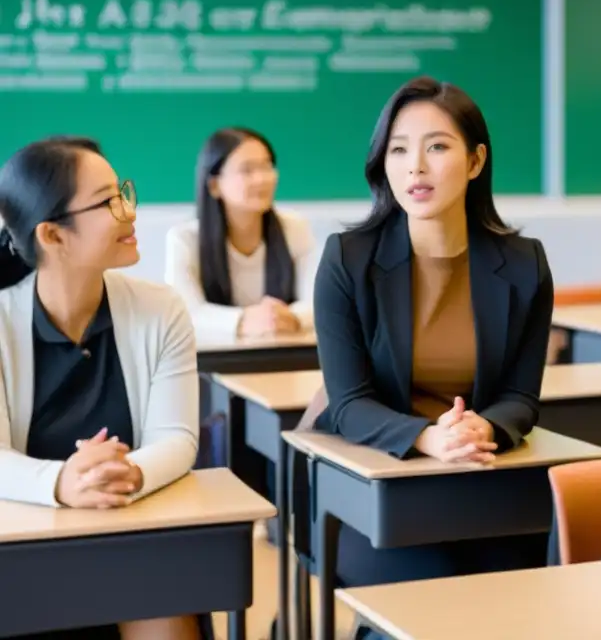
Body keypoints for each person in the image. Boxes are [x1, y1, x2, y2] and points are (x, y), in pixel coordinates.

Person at [310, 76, 554, 623]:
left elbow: (521, 395)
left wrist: (483, 429)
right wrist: (427, 437)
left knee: (521, 611)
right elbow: (348, 402)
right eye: (399, 149)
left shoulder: (524, 264)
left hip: (483, 480)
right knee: (439, 608)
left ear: (475, 161)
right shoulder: (348, 259)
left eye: (437, 146)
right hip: (378, 484)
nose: (414, 166)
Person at [0, 137, 201, 640]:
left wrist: (127, 473)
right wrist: (63, 482)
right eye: (109, 201)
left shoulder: (161, 309)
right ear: (53, 235)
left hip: (132, 534)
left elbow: (177, 438)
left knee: (162, 605)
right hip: (23, 544)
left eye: (124, 192)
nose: (129, 211)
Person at [165, 127, 316, 340]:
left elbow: (320, 301)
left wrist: (289, 318)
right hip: (214, 362)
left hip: (284, 354)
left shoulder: (294, 228)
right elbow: (184, 313)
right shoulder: (184, 239)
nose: (262, 179)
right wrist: (245, 320)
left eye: (267, 166)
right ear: (215, 185)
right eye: (247, 170)